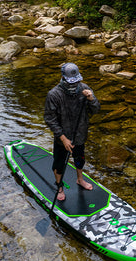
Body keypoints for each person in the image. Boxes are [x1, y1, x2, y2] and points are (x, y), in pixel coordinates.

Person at [44, 63, 101, 201]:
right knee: (59, 164)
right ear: (63, 77)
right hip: (62, 137)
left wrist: (91, 99)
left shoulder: (85, 89)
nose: (74, 84)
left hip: (80, 134)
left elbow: (96, 110)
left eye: (76, 81)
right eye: (71, 81)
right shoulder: (54, 94)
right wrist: (63, 138)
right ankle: (59, 187)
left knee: (79, 159)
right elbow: (49, 119)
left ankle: (80, 180)